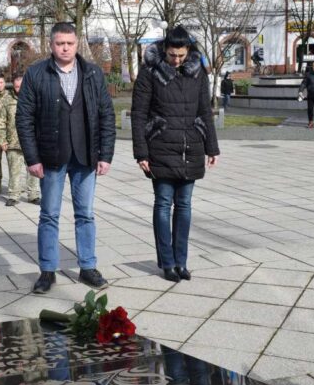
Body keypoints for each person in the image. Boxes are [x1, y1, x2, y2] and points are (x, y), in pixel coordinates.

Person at [17, 22, 116, 294]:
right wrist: (32, 158)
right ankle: (47, 271)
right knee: (49, 214)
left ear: (77, 44)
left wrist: (105, 154)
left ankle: (88, 267)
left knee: (85, 214)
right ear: (51, 44)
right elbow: (23, 118)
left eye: (69, 43)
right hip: (51, 157)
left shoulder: (93, 74)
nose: (64, 47)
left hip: (85, 157)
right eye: (59, 43)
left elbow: (107, 114)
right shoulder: (37, 74)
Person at [131, 26, 219, 283]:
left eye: (181, 55)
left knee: (185, 206)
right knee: (162, 204)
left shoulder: (198, 72)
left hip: (191, 146)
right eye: (172, 55)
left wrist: (212, 147)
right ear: (165, 49)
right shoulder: (150, 72)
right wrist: (141, 152)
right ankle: (167, 262)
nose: (176, 60)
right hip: (160, 146)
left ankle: (181, 262)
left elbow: (204, 110)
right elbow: (138, 114)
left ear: (188, 50)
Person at [0, 74, 41, 207]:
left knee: (33, 170)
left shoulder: (35, 99)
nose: (19, 89)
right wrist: (2, 140)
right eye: (16, 86)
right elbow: (1, 122)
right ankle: (13, 195)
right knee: (14, 171)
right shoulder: (6, 100)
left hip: (33, 143)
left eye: (21, 86)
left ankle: (33, 195)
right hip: (13, 143)